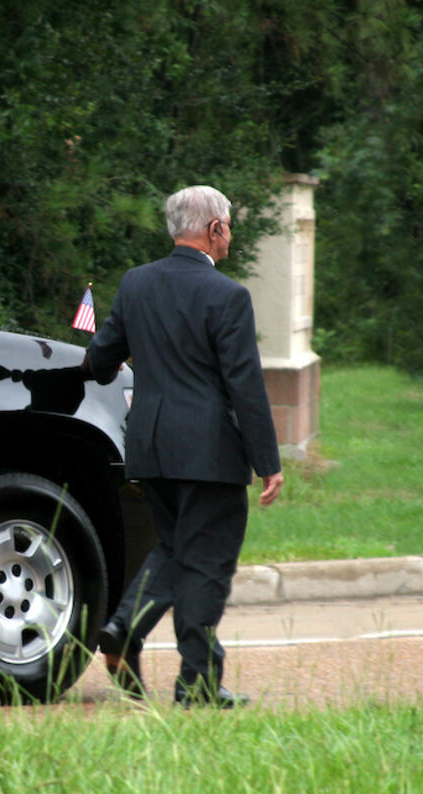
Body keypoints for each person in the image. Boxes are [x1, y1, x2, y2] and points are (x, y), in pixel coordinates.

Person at [84, 184, 284, 707]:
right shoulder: (228, 296)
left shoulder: (136, 283)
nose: (231, 237)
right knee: (208, 563)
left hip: (150, 450)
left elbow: (99, 361)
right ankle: (196, 684)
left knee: (175, 549)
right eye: (229, 227)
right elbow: (245, 384)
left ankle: (126, 629)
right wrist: (269, 462)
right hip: (211, 455)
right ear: (214, 229)